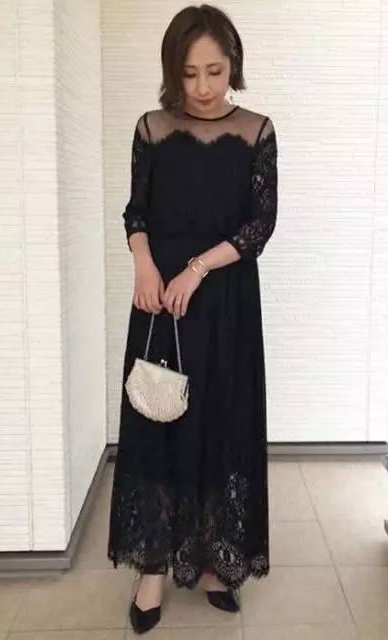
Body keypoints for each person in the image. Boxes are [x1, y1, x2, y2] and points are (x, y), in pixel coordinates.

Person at [108, 4, 278, 634]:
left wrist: (198, 268)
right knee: (158, 424)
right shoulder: (152, 128)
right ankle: (153, 566)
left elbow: (260, 225)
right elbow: (136, 212)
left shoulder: (257, 131)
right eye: (189, 73)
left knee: (220, 423)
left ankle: (212, 558)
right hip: (160, 301)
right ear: (171, 72)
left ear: (233, 66)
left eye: (215, 71)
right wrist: (144, 266)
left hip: (225, 299)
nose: (203, 87)